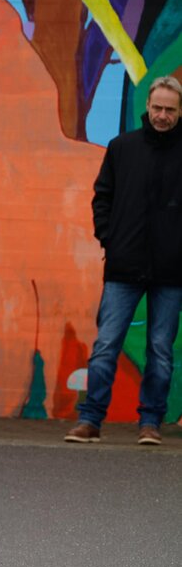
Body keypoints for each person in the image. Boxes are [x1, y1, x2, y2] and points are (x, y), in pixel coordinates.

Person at [65, 76, 182, 445]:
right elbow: (102, 197)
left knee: (160, 350)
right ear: (147, 105)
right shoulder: (122, 148)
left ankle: (150, 423)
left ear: (180, 111)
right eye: (157, 107)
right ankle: (90, 420)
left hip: (171, 271)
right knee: (106, 345)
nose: (162, 115)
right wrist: (110, 239)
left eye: (170, 110)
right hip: (123, 266)